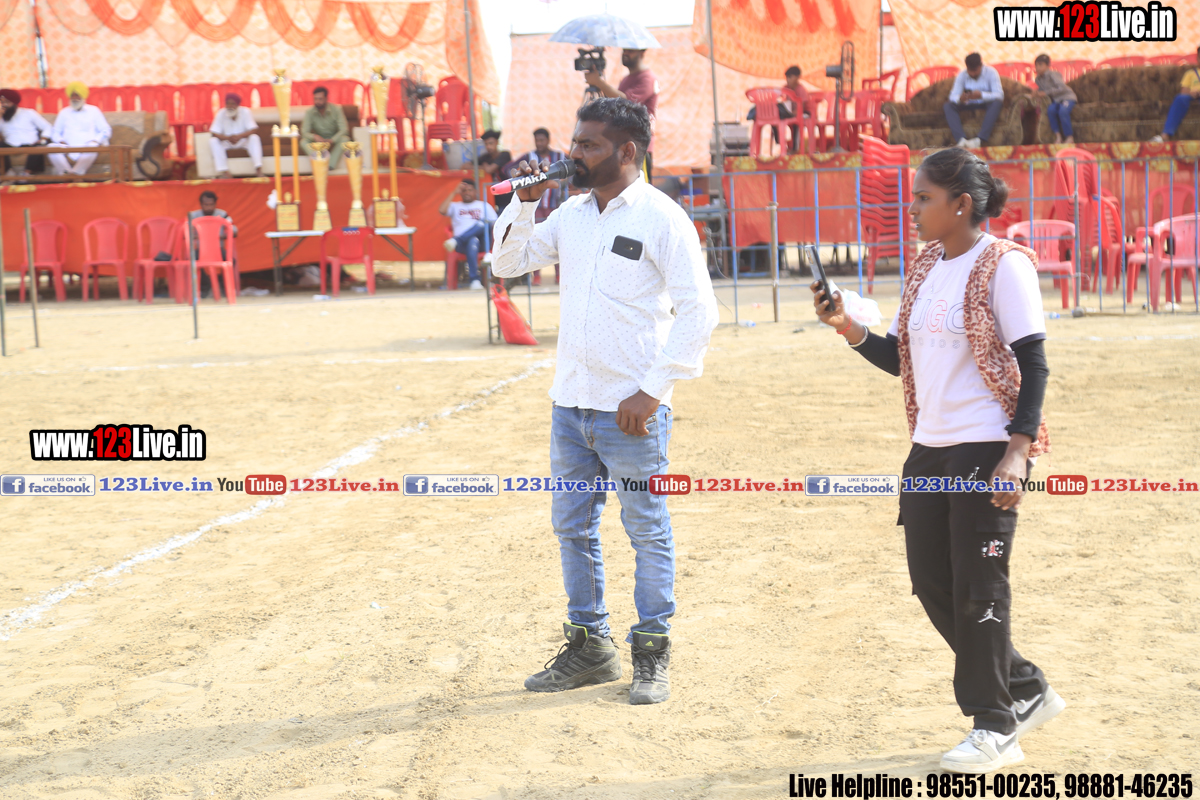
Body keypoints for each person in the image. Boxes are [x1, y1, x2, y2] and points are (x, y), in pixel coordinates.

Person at [811, 147, 1065, 773]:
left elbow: (1034, 364)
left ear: (962, 204)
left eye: (924, 198)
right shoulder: (925, 266)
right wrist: (848, 327)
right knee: (931, 581)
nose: (914, 208)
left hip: (986, 447)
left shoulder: (1004, 265)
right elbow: (902, 359)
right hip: (929, 448)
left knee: (980, 585)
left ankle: (995, 726)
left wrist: (1019, 450)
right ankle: (1025, 686)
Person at [492, 98, 719, 706]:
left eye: (589, 145)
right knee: (573, 528)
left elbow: (700, 312)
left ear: (627, 152)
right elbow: (507, 263)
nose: (574, 154)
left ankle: (652, 651)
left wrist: (652, 390)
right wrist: (523, 202)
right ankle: (590, 647)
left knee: (646, 529)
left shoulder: (662, 217)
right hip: (571, 405)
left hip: (633, 412)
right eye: (575, 142)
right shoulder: (569, 214)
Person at [584, 48, 660, 180]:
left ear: (642, 53)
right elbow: (616, 107)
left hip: (639, 145)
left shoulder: (647, 78)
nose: (625, 53)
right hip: (622, 144)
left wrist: (598, 82)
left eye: (630, 50)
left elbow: (626, 102)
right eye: (624, 50)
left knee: (639, 188)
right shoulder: (626, 80)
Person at [439, 179, 496, 291]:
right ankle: (474, 281)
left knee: (483, 223)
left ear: (475, 191)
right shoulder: (455, 206)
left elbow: (495, 224)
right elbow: (441, 210)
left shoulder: (484, 205)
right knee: (472, 240)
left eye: (470, 190)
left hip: (483, 244)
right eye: (464, 190)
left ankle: (456, 240)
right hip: (462, 246)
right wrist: (454, 192)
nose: (467, 193)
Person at [48, 82, 111, 177]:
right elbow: (55, 132)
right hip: (67, 146)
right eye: (72, 95)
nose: (74, 98)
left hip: (87, 145)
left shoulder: (94, 110)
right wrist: (60, 141)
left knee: (93, 147)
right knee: (51, 147)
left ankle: (76, 174)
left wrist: (96, 140)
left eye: (77, 95)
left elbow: (106, 130)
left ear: (83, 96)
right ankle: (67, 174)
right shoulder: (64, 112)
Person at [944, 53, 1004, 149]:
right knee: (948, 105)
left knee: (997, 103)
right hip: (968, 104)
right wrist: (960, 98)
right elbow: (952, 96)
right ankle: (961, 140)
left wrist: (981, 95)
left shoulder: (991, 73)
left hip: (986, 104)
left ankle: (979, 140)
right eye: (970, 71)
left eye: (975, 71)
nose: (972, 74)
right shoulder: (962, 75)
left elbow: (999, 95)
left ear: (981, 66)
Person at [187, 190, 239, 297]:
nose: (209, 207)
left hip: (218, 249)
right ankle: (205, 286)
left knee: (230, 260)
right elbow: (185, 233)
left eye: (211, 204)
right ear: (201, 204)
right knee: (191, 260)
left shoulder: (223, 214)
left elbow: (234, 231)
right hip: (200, 250)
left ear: (215, 204)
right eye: (206, 205)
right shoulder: (193, 215)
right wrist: (201, 237)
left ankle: (224, 286)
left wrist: (217, 237)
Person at [746, 65, 809, 151]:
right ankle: (781, 143)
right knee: (775, 115)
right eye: (787, 77)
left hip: (802, 113)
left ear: (798, 77)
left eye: (790, 77)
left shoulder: (801, 89)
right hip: (789, 113)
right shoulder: (786, 88)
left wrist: (791, 114)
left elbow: (802, 107)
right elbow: (780, 99)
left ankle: (795, 148)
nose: (788, 80)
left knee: (795, 124)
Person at [515, 128, 568, 223]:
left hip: (555, 203)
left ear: (548, 140)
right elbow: (507, 169)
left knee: (554, 228)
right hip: (535, 206)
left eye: (541, 140)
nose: (539, 143)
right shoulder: (529, 156)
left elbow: (574, 167)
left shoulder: (560, 156)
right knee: (537, 229)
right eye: (536, 141)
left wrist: (566, 181)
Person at [1151, 46, 1200, 143]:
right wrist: (1192, 93)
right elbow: (1184, 92)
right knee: (1180, 98)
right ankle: (1165, 135)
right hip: (1193, 97)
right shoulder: (1191, 73)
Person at [208, 93, 263, 179]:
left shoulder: (245, 112)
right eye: (228, 103)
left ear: (238, 105)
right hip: (227, 142)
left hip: (242, 141)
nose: (230, 106)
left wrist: (239, 136)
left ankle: (258, 170)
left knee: (254, 138)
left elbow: (253, 129)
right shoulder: (221, 113)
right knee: (213, 141)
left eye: (233, 104)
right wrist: (228, 138)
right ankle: (225, 172)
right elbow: (214, 132)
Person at [0, 89, 52, 175]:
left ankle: (26, 173)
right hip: (10, 145)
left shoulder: (29, 113)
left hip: (31, 144)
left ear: (14, 102)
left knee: (40, 146)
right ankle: (9, 173)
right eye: (2, 102)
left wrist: (43, 138)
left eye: (7, 102)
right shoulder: (2, 117)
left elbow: (47, 127)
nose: (4, 105)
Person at [301, 86, 350, 170]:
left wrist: (332, 140)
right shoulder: (310, 112)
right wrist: (314, 137)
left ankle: (329, 166)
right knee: (303, 141)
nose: (317, 102)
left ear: (326, 99)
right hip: (318, 141)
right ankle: (318, 161)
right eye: (315, 99)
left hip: (333, 139)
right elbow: (304, 132)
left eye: (320, 99)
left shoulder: (336, 110)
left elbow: (344, 129)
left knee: (345, 139)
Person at [1033, 55, 1077, 145]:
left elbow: (1062, 88)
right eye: (1036, 65)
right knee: (1051, 110)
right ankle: (1058, 136)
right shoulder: (1038, 79)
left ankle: (1069, 137)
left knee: (1063, 111)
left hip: (1067, 97)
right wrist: (1037, 94)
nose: (1038, 68)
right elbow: (1042, 90)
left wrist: (1045, 93)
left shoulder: (1053, 74)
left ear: (1047, 65)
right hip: (1056, 100)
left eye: (1040, 65)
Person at [478, 129, 512, 211]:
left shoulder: (505, 155)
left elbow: (490, 170)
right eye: (486, 144)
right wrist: (483, 167)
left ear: (497, 142)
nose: (488, 147)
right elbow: (465, 166)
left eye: (491, 143)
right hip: (493, 198)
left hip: (508, 197)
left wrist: (485, 166)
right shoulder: (485, 158)